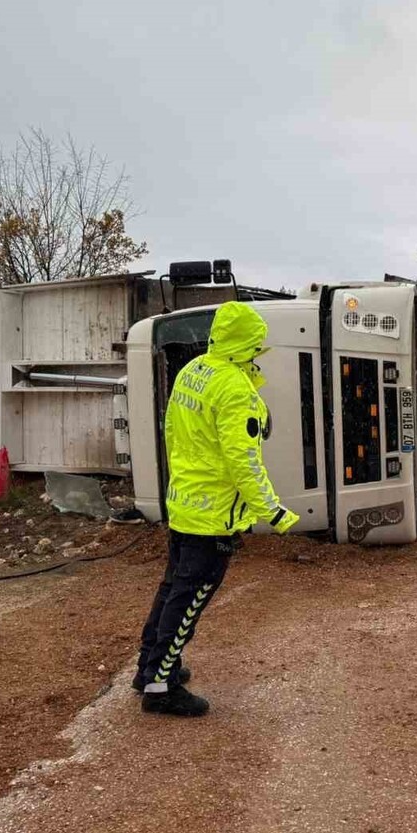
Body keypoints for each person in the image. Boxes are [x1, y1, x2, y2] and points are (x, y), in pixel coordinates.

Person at [134, 301, 300, 717]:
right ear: (246, 343)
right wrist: (275, 512)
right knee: (190, 598)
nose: (261, 353)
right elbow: (243, 462)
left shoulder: (193, 370)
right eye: (258, 346)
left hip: (186, 504)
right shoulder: (234, 390)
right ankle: (159, 686)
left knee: (173, 588)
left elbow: (172, 431)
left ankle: (149, 668)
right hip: (213, 516)